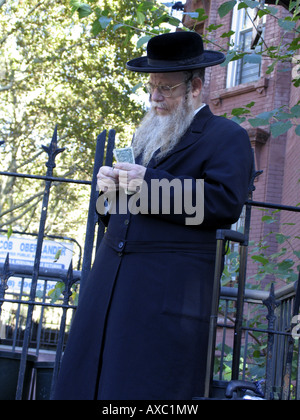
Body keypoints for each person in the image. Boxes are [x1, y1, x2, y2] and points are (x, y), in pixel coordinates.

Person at [53, 31, 253, 400]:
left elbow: (223, 203)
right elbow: (120, 214)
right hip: (109, 289)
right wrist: (107, 193)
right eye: (151, 87)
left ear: (194, 87)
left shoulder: (227, 136)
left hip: (163, 296)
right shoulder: (148, 136)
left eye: (166, 88)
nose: (154, 97)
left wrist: (148, 183)